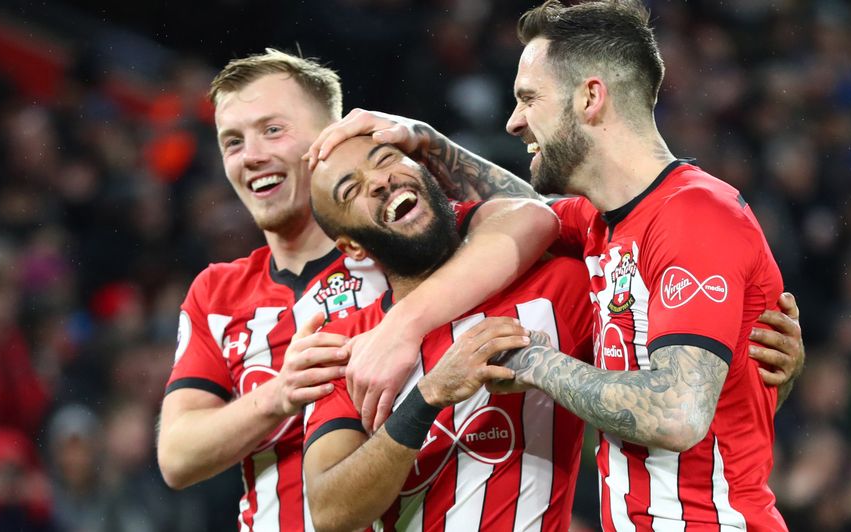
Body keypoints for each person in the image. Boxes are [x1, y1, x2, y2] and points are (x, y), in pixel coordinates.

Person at [304, 1, 803, 529]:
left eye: (529, 98)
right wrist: (425, 140)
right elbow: (522, 214)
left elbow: (678, 414)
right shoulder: (598, 225)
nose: (514, 121)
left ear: (590, 98)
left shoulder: (696, 215)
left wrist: (532, 362)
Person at [156, 49, 562, 531]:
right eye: (232, 142)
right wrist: (278, 396)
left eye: (273, 130)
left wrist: (428, 143)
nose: (252, 156)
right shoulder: (217, 293)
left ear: (331, 134)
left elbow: (535, 216)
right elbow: (177, 457)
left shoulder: (402, 240)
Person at [302, 135, 595, 531]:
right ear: (352, 246)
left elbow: (545, 214)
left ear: (431, 177)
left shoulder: (561, 286)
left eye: (386, 158)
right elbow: (331, 512)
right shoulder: (349, 346)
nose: (378, 181)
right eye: (352, 189)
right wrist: (426, 399)